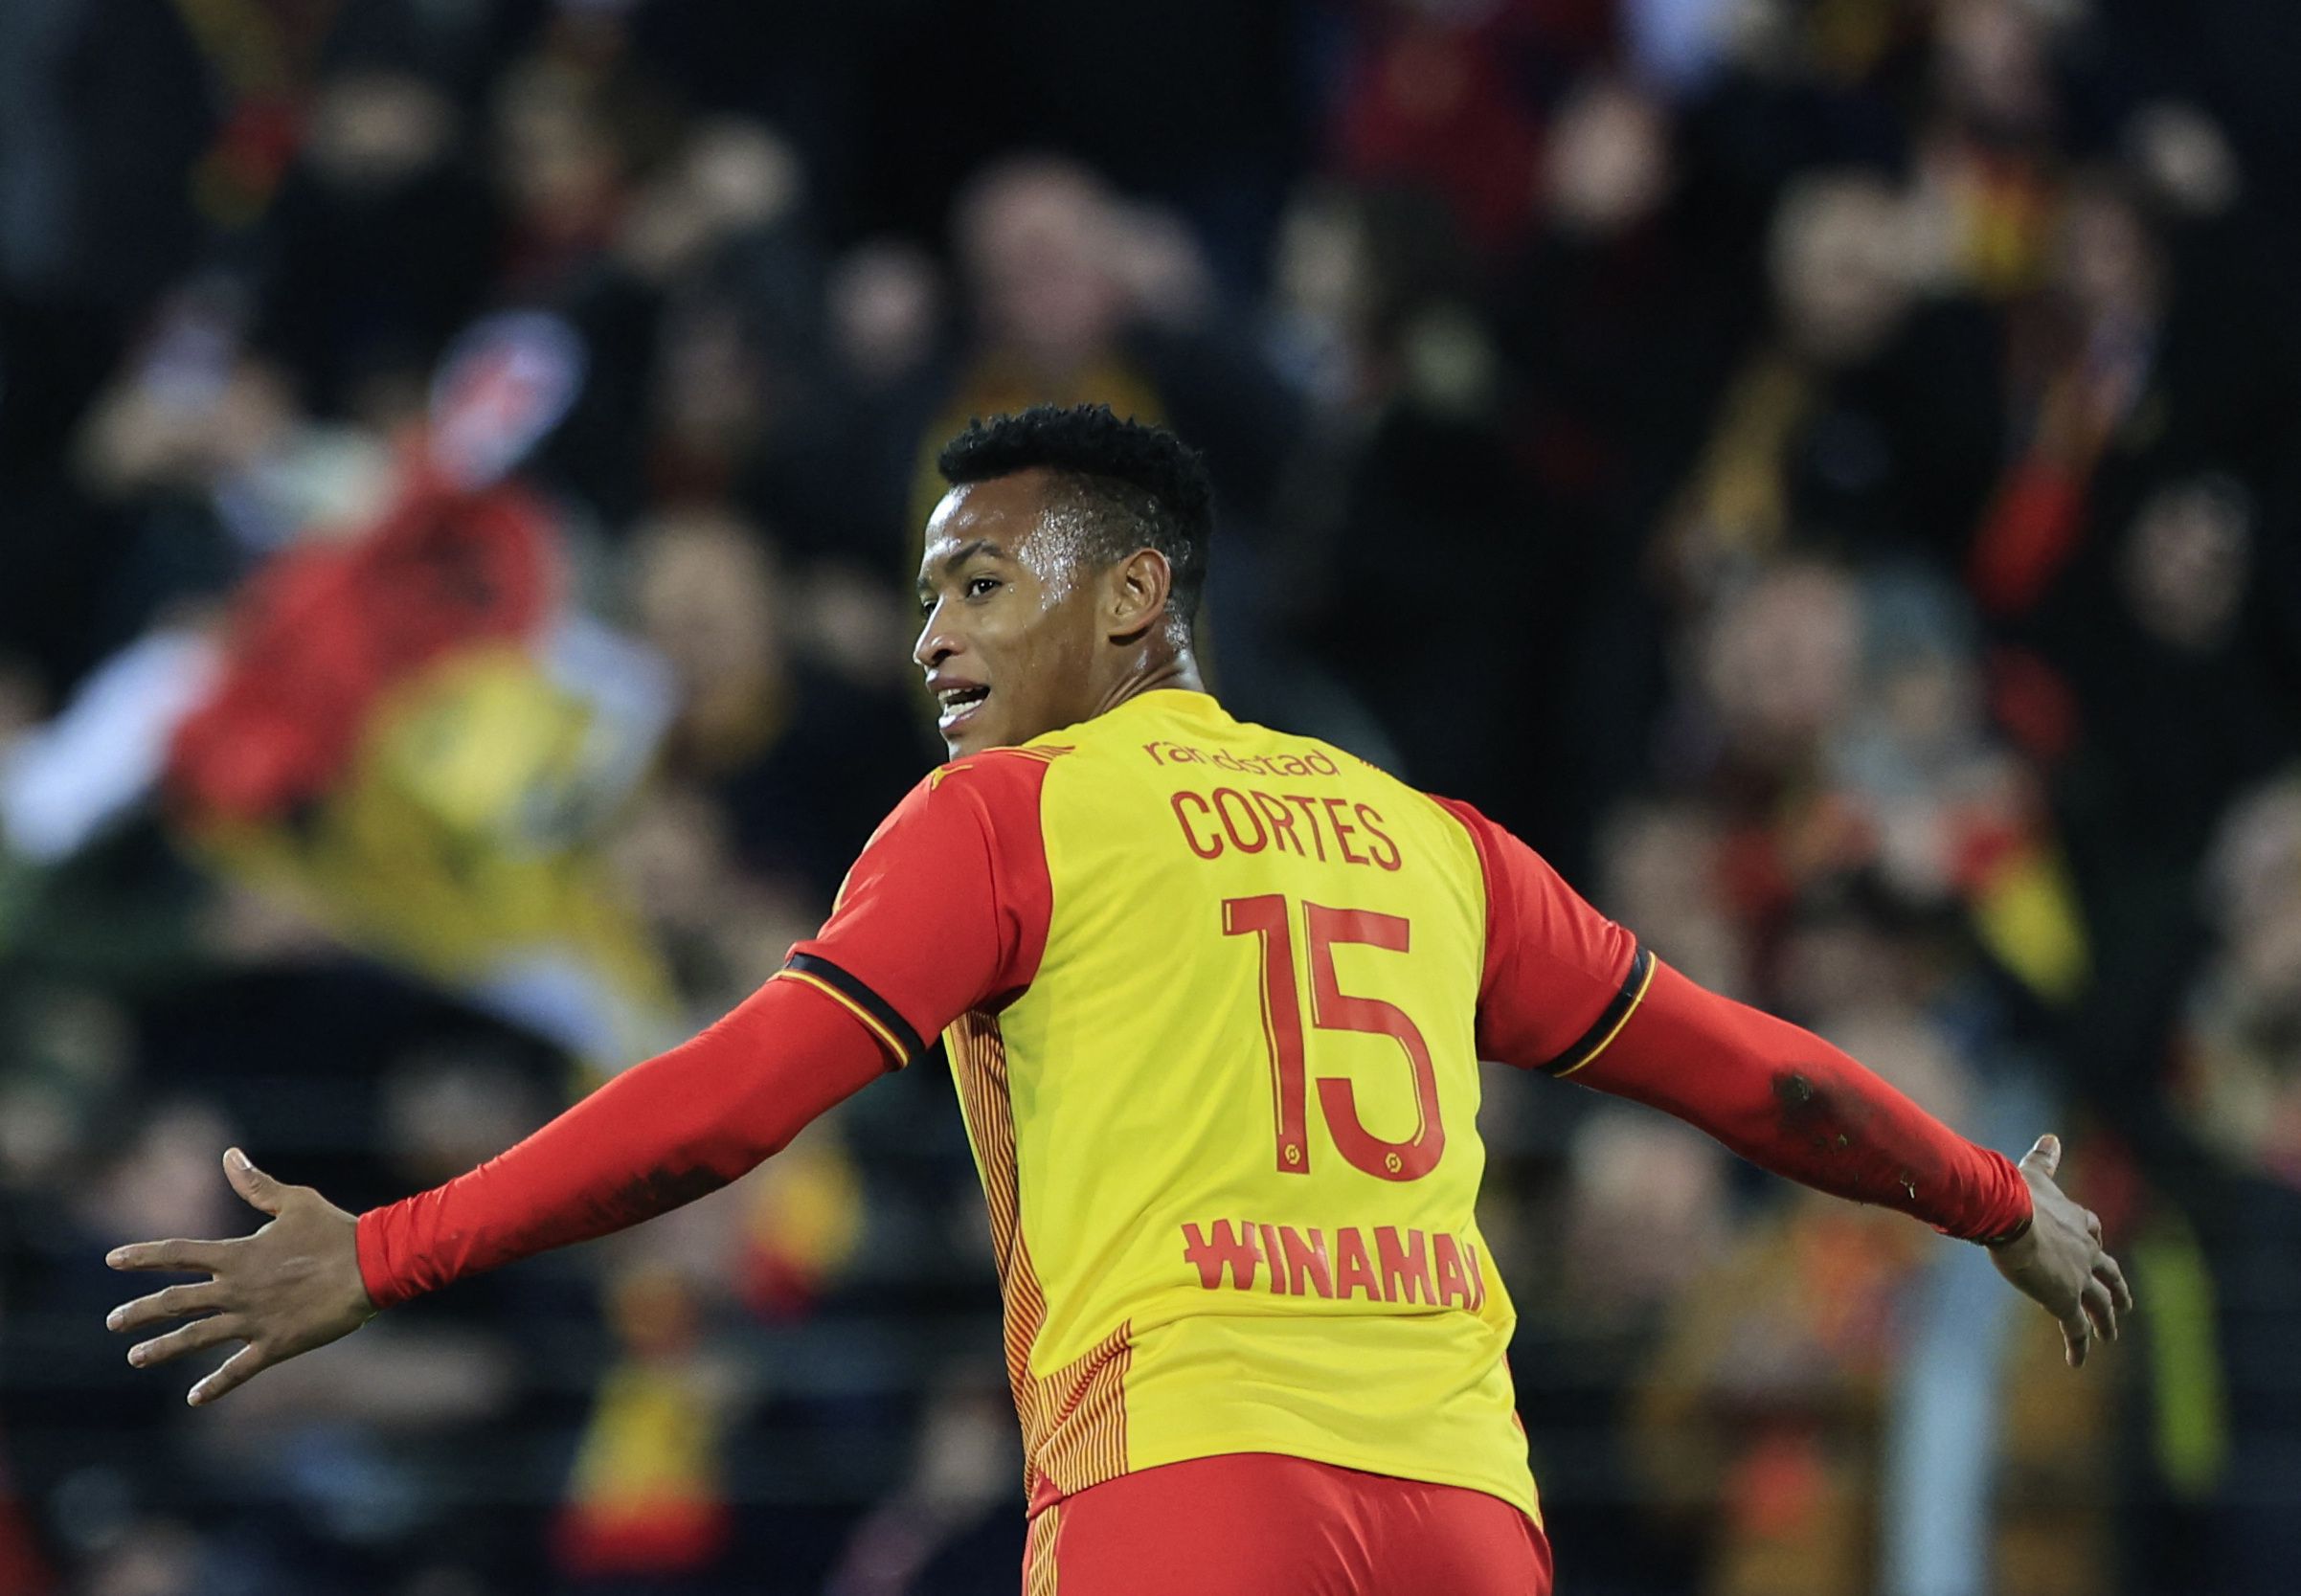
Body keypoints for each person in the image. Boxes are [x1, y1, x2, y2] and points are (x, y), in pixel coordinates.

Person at [106, 405, 2131, 1596]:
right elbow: (1755, 1084)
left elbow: (739, 1103)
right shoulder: (1424, 837)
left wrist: (397, 1243)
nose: (931, 640)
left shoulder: (1006, 824)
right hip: (1466, 1516)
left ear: (1132, 595)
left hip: (1188, 1487)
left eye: (978, 584)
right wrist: (1988, 1206)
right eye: (920, 596)